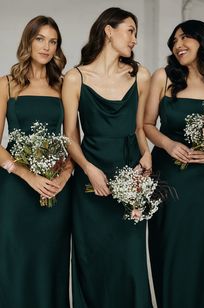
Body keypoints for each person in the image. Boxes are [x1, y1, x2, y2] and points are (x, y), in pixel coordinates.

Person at [62, 7, 152, 308]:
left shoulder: (141, 75)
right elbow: (70, 136)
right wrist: (88, 169)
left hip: (130, 177)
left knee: (130, 257)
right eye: (130, 30)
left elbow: (140, 128)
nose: (135, 39)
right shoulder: (75, 78)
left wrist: (146, 156)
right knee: (93, 256)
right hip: (90, 178)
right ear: (108, 31)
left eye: (136, 33)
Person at [144, 19, 204, 308]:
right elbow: (146, 124)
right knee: (168, 248)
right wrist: (168, 144)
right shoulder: (164, 77)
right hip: (170, 177)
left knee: (199, 250)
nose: (178, 45)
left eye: (185, 38)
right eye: (173, 41)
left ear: (203, 40)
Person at [0, 16, 72, 308]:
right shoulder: (7, 85)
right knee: (16, 257)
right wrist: (25, 174)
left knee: (50, 258)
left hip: (55, 188)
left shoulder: (64, 85)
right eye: (40, 38)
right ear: (28, 41)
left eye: (52, 41)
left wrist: (63, 178)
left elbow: (72, 141)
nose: (46, 46)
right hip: (15, 189)